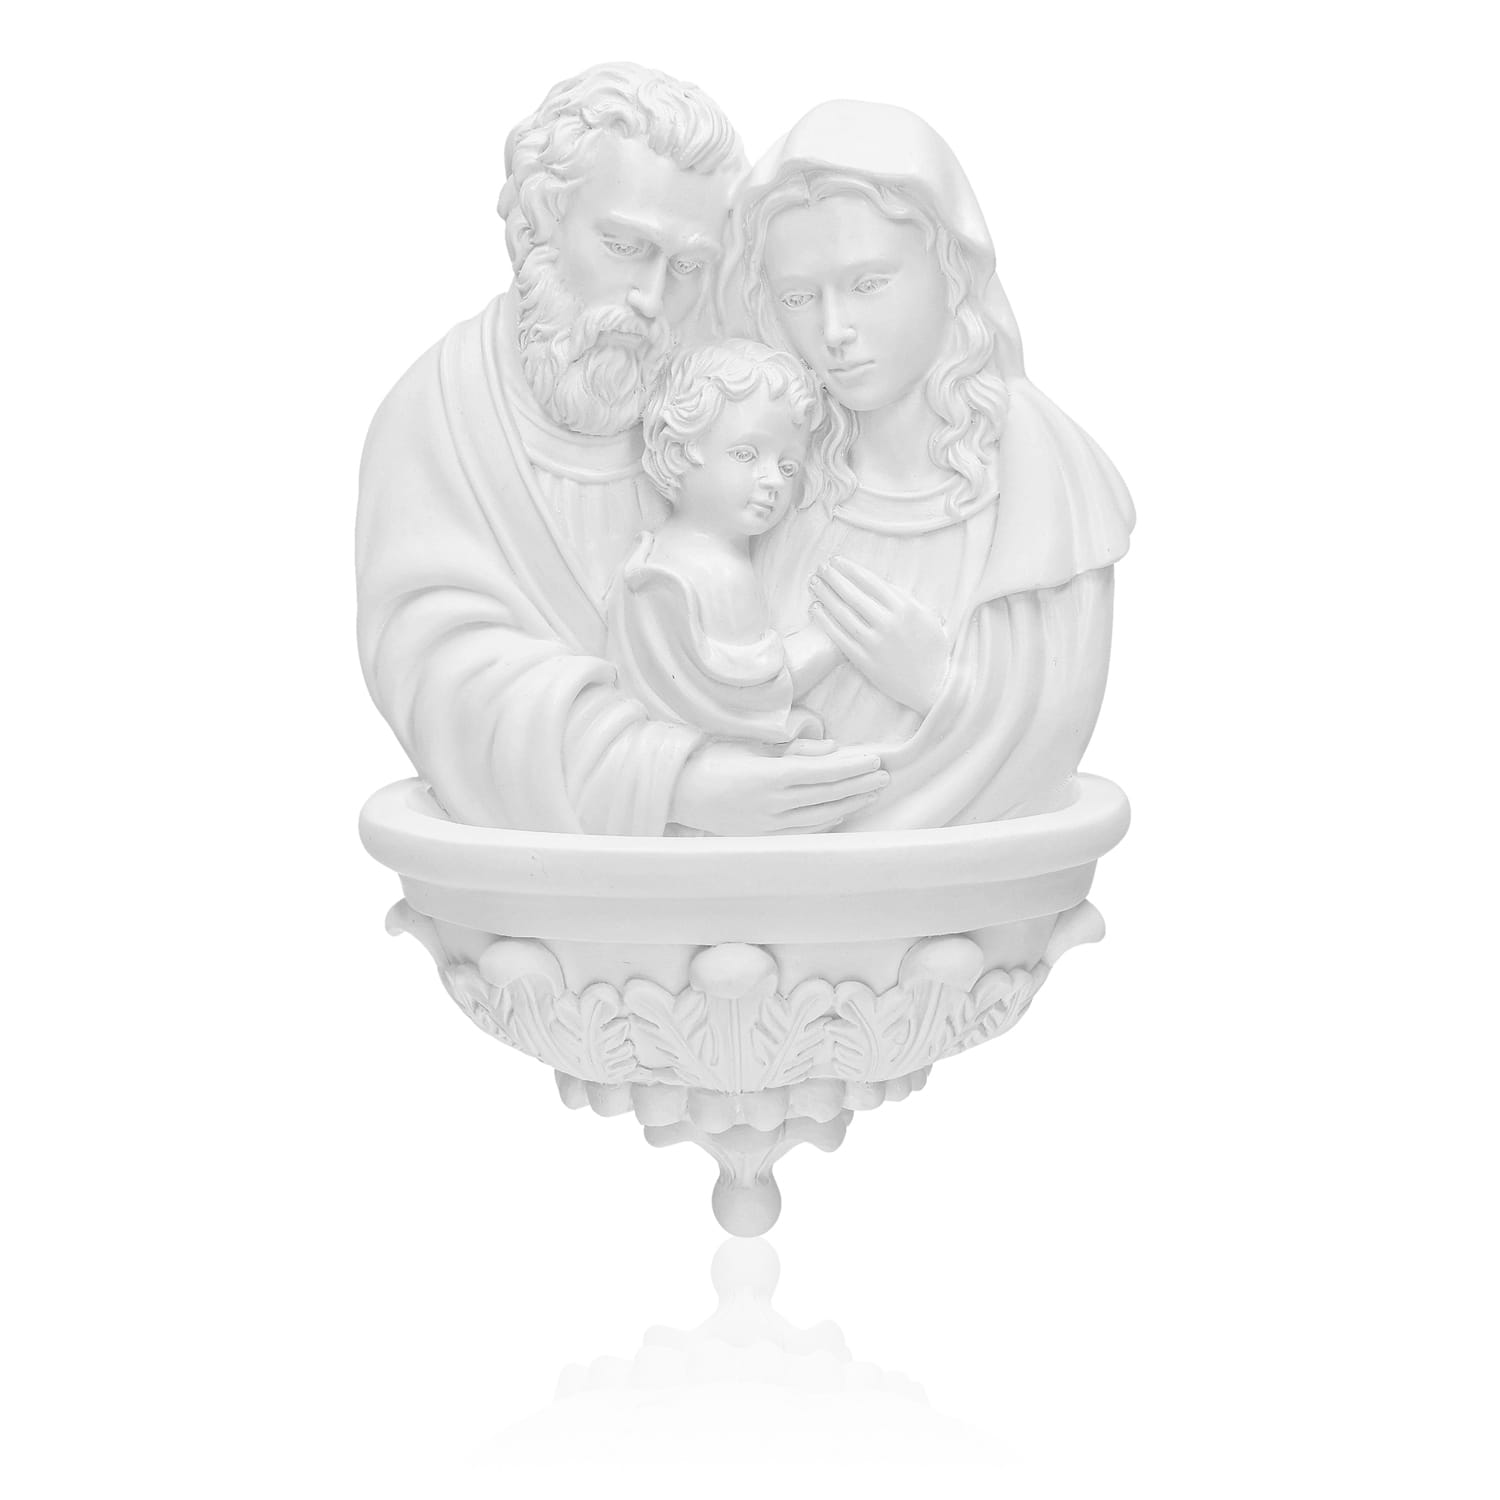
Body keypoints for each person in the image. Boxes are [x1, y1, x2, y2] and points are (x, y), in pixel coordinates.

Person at [356, 64, 887, 834]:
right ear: (536, 227)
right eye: (624, 245)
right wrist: (680, 782)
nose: (651, 297)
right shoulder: (442, 417)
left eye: (688, 267)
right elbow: (443, 678)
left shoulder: (728, 390)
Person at [729, 101, 1136, 828]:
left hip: (955, 864)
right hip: (783, 857)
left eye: (868, 284)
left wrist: (937, 684)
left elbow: (1050, 735)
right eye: (798, 297)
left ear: (948, 271)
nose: (834, 330)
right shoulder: (781, 471)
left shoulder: (1037, 471)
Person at [606, 340, 841, 753]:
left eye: (788, 466)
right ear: (679, 451)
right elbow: (754, 694)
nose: (774, 479)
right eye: (746, 454)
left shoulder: (652, 554)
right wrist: (832, 638)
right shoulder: (720, 573)